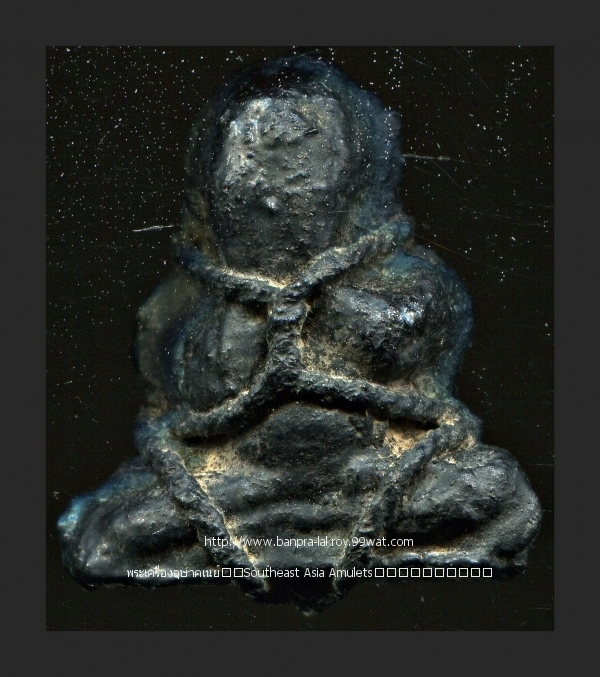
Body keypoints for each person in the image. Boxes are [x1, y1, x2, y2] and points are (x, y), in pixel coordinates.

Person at [59, 57, 541, 610]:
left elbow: (423, 351)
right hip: (241, 485)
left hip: (370, 473)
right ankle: (305, 545)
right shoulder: (184, 304)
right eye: (254, 176)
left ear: (353, 178)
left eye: (304, 172)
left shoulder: (410, 280)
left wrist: (330, 304)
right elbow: (168, 412)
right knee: (101, 540)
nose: (277, 196)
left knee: (495, 492)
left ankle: (292, 545)